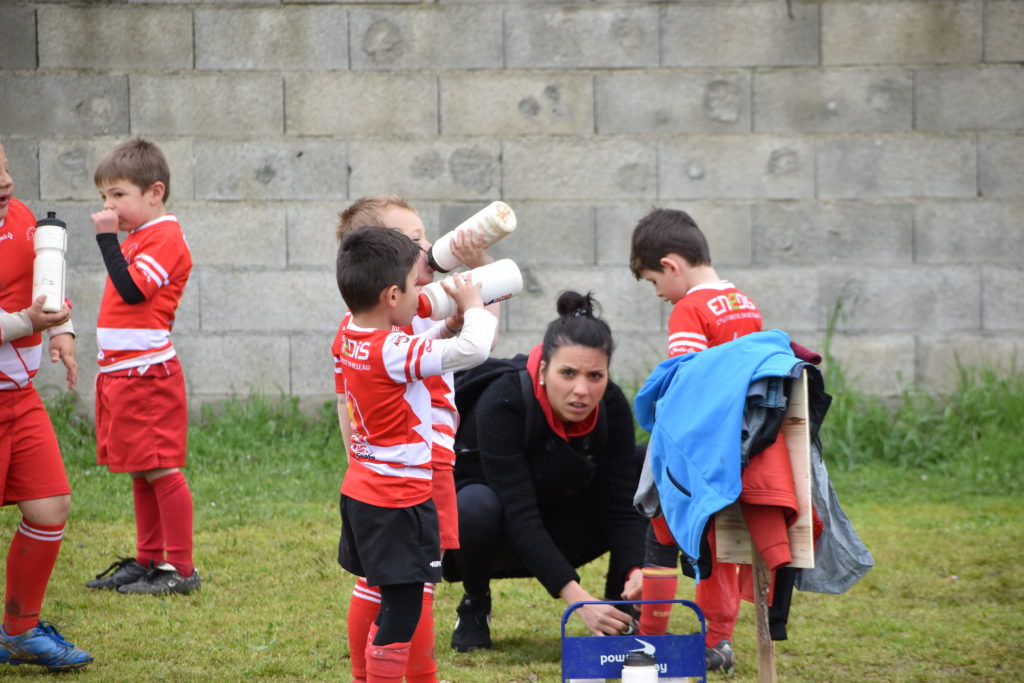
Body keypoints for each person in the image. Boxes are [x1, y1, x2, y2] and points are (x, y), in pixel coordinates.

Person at [333, 196, 499, 683]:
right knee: (414, 588)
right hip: (416, 478)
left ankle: (370, 675)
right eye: (411, 242)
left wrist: (456, 312)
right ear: (389, 287)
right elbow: (473, 348)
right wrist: (471, 307)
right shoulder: (396, 333)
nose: (426, 248)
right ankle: (418, 674)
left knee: (380, 583)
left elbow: (349, 393)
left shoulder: (351, 328)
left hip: (368, 481)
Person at [443, 290, 645, 652]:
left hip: (566, 522)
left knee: (647, 467)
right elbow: (520, 515)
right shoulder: (503, 401)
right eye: (567, 373)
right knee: (473, 504)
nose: (581, 390)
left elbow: (621, 506)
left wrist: (636, 568)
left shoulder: (612, 404)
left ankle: (621, 610)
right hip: (495, 535)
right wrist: (578, 601)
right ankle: (476, 601)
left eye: (595, 375)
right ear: (542, 370)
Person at [626, 207, 763, 674]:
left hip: (700, 451)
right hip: (744, 451)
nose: (660, 295)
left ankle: (648, 640)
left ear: (671, 265)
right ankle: (719, 640)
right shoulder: (745, 304)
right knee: (724, 542)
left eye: (652, 282)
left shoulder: (690, 308)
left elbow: (687, 385)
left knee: (659, 528)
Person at [85, 138, 199, 596]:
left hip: (146, 375)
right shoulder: (138, 238)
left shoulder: (165, 237)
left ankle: (180, 569)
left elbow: (133, 291)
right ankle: (149, 559)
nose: (109, 206)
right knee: (138, 467)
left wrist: (106, 240)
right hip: (121, 373)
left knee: (160, 468)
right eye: (104, 198)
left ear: (154, 192)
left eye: (118, 195)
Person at [0, 140, 93, 670]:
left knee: (50, 505)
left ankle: (19, 629)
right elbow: (25, 315)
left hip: (21, 399)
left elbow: (47, 281)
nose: (6, 183)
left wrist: (64, 331)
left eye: (6, 169)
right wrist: (26, 326)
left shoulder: (25, 218)